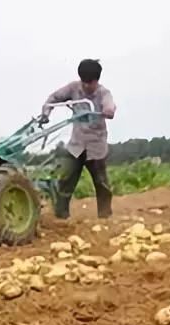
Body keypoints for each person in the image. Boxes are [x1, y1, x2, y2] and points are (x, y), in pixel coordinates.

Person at [40, 59, 116, 219]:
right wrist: (46, 113)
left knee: (101, 183)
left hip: (96, 146)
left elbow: (110, 106)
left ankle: (105, 217)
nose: (87, 86)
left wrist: (108, 110)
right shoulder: (73, 88)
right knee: (65, 179)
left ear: (97, 80)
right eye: (84, 82)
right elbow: (53, 98)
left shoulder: (104, 93)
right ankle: (61, 216)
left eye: (90, 83)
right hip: (76, 144)